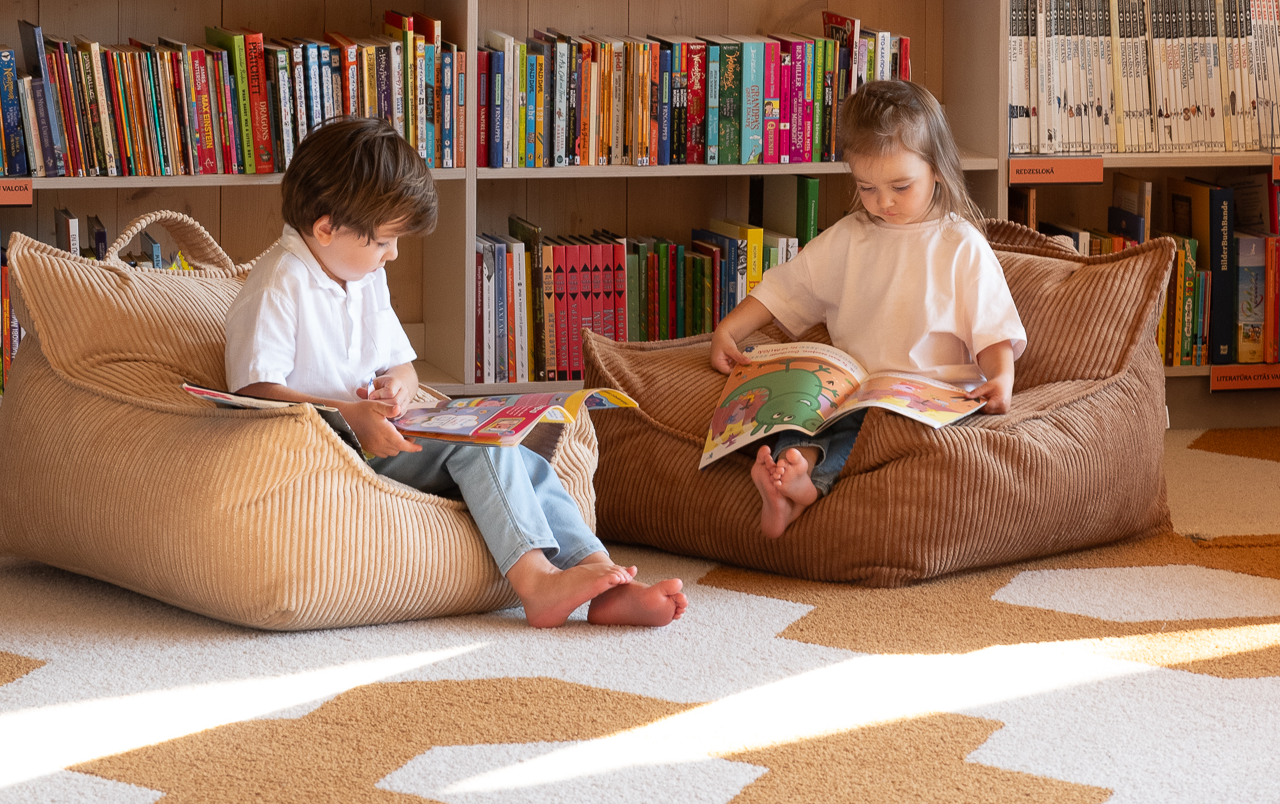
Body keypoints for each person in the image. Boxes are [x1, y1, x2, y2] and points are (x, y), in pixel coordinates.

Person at [226, 116, 687, 627]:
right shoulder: (279, 284)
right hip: (330, 447)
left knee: (520, 456)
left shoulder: (361, 273)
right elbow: (254, 392)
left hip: (384, 433)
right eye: (384, 241)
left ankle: (600, 574)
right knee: (479, 447)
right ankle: (536, 583)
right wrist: (350, 415)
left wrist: (399, 387)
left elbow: (401, 364)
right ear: (326, 228)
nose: (393, 254)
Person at [709, 79, 1025, 540]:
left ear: (937, 169)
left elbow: (992, 329)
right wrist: (729, 330)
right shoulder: (850, 236)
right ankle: (790, 474)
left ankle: (805, 484)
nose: (884, 202)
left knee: (869, 424)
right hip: (852, 386)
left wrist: (1002, 379)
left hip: (927, 396)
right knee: (803, 406)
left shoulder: (961, 245)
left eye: (900, 186)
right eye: (867, 187)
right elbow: (786, 288)